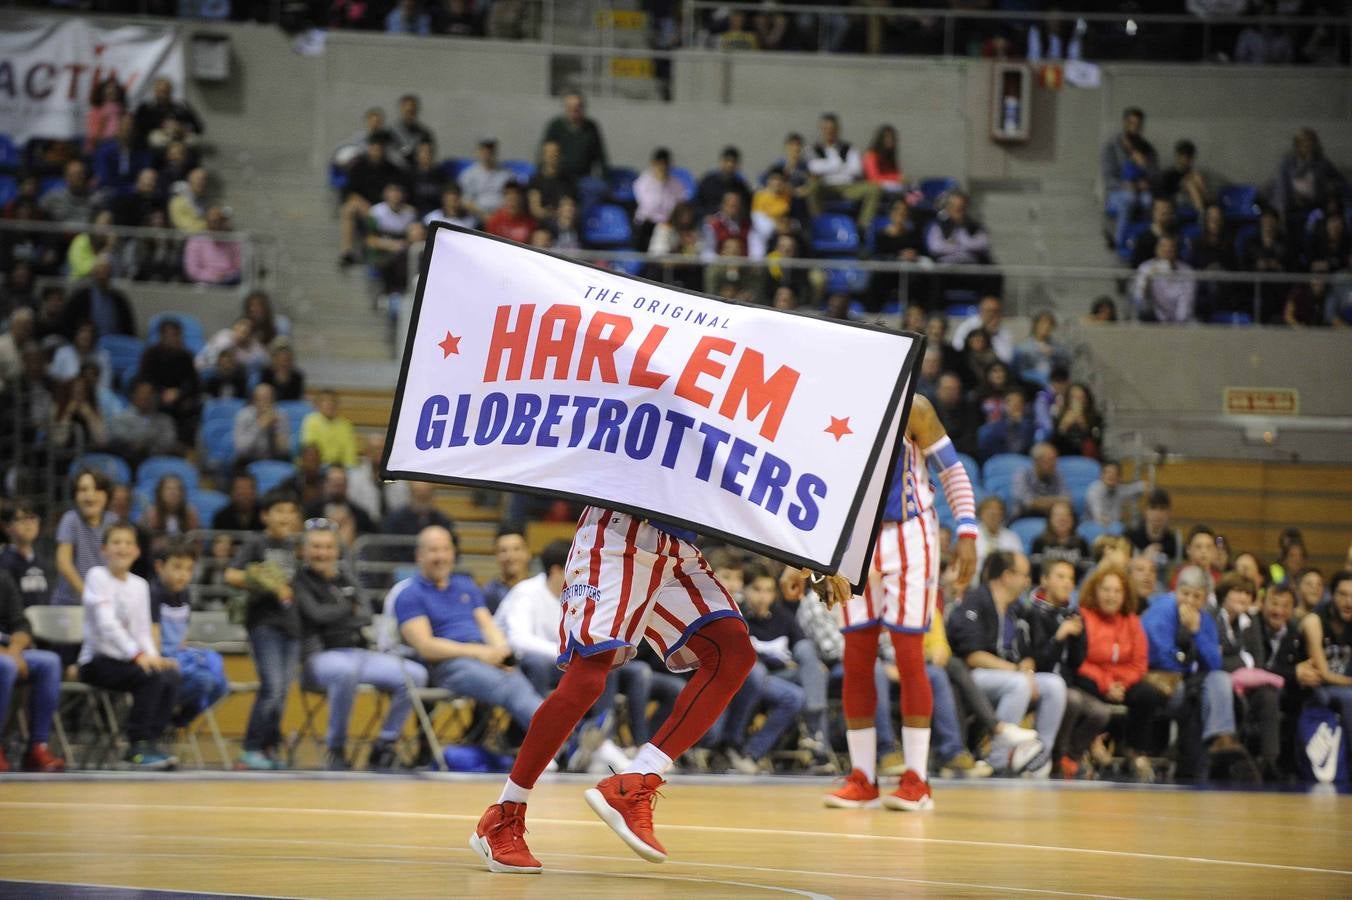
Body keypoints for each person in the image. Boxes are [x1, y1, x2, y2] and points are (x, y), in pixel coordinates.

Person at [468, 493, 847, 875]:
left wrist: (808, 560)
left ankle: (636, 780)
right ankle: (504, 815)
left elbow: (743, 479)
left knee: (734, 653)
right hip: (616, 532)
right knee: (588, 676)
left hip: (677, 544)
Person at [826, 393, 979, 811]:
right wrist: (805, 557)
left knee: (910, 655)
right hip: (855, 536)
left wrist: (966, 530)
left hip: (911, 533)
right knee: (855, 657)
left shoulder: (916, 407)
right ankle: (863, 777)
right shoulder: (830, 400)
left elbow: (953, 472)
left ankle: (918, 780)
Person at [294, 522, 427, 770]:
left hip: (358, 652)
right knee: (345, 671)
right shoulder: (298, 580)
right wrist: (347, 608)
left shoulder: (346, 576)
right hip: (318, 657)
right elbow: (315, 615)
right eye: (316, 547)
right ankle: (336, 748)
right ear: (304, 550)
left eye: (327, 547)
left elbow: (366, 613)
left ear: (337, 550)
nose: (322, 553)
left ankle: (384, 745)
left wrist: (339, 613)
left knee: (415, 674)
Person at [393, 524, 543, 741]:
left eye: (445, 549)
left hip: (482, 658)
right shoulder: (409, 594)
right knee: (510, 686)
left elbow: (487, 625)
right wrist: (479, 652)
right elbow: (426, 647)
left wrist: (501, 650)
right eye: (434, 550)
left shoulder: (466, 586)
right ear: (419, 556)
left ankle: (551, 745)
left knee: (522, 674)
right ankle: (566, 741)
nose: (441, 556)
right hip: (447, 665)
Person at [947, 551, 1063, 776]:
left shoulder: (1017, 609)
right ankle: (995, 759)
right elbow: (972, 655)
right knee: (1018, 684)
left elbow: (1030, 652)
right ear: (1007, 575)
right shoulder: (976, 600)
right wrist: (1018, 672)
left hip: (1011, 674)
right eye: (1024, 576)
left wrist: (1027, 667)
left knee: (1054, 685)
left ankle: (1038, 757)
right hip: (974, 676)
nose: (1028, 582)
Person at [78, 522, 182, 769]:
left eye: (127, 543)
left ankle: (151, 742)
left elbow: (143, 630)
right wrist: (137, 654)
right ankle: (136, 746)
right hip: (97, 661)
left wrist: (153, 656)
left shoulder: (140, 585)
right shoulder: (96, 576)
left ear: (136, 551)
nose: (122, 548)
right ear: (104, 549)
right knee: (149, 678)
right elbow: (106, 625)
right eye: (116, 543)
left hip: (130, 660)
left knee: (169, 675)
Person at [1141, 566, 1254, 781]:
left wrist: (1196, 632)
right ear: (1176, 591)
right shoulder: (1161, 611)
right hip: (1159, 681)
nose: (1190, 601)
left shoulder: (1205, 620)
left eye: (1197, 596)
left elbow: (1214, 663)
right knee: (1195, 697)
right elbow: (1161, 658)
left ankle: (1221, 739)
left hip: (1190, 681)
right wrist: (1189, 663)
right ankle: (1199, 760)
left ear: (1205, 599)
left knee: (1219, 679)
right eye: (1185, 594)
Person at [224, 490, 303, 770]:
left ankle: (269, 748)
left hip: (291, 626)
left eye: (290, 511)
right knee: (271, 687)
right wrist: (259, 580)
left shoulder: (297, 547)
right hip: (264, 625)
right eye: (279, 510)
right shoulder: (257, 542)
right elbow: (230, 574)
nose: (285, 516)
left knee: (282, 692)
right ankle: (250, 748)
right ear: (265, 516)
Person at [1072, 564, 1161, 781]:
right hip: (1093, 680)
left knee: (1147, 694)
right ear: (1095, 591)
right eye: (1106, 590)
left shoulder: (1132, 622)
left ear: (1125, 595)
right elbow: (1078, 660)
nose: (1111, 596)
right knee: (1085, 685)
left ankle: (1135, 751)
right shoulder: (1082, 617)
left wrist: (1119, 685)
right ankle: (1087, 746)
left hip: (1122, 683)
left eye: (1117, 591)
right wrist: (1106, 684)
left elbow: (1139, 664)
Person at [1023, 559, 1106, 778]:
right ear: (1044, 580)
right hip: (1039, 681)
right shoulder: (1032, 612)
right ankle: (1056, 758)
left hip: (1067, 682)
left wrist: (1078, 636)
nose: (1067, 583)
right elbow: (1039, 661)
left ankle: (1072, 755)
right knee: (1072, 700)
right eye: (1060, 577)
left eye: (1070, 578)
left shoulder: (1071, 613)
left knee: (1100, 712)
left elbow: (1077, 662)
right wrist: (1059, 636)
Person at [1212, 574, 1284, 778]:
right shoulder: (1212, 618)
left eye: (1248, 593)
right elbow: (1216, 661)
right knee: (1226, 689)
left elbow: (1258, 661)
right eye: (1238, 591)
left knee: (1268, 695)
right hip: (1219, 683)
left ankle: (1269, 759)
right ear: (1224, 594)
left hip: (1249, 684)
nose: (1243, 597)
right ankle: (1228, 761)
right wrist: (1243, 662)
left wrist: (1238, 661)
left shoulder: (1251, 622)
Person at [150, 539, 227, 728]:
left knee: (221, 685)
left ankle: (177, 722)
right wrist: (165, 660)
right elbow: (153, 639)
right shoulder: (153, 594)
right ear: (160, 567)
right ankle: (161, 717)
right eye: (177, 567)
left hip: (179, 659)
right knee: (205, 681)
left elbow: (182, 637)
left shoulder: (185, 595)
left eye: (188, 569)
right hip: (162, 662)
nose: (183, 575)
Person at [0, 568, 64, 772]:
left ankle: (38, 746)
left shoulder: (3, 577)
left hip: (9, 650)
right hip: (4, 657)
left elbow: (20, 622)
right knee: (6, 666)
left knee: (50, 662)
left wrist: (15, 649)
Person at [52, 469, 116, 607]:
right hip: (69, 604)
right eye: (83, 489)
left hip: (106, 602)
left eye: (97, 489)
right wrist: (88, 595)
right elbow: (63, 562)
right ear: (75, 495)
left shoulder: (113, 522)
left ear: (107, 495)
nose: (90, 495)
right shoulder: (70, 519)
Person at [805, 113, 880, 229]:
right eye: (826, 128)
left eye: (832, 128)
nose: (829, 131)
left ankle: (862, 226)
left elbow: (856, 170)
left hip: (848, 186)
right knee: (811, 186)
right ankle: (818, 224)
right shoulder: (813, 149)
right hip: (825, 186)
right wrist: (841, 165)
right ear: (821, 129)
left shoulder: (849, 147)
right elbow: (813, 168)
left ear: (838, 129)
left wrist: (827, 166)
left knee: (874, 188)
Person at [1101, 107, 1158, 249]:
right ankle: (1119, 242)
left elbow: (1156, 177)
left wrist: (1144, 164)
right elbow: (1108, 179)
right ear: (1124, 123)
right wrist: (1125, 185)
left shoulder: (1147, 148)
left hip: (1141, 192)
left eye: (1138, 125)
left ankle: (1144, 243)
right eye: (1132, 123)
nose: (1135, 128)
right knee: (1129, 198)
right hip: (1117, 194)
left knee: (1148, 200)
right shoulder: (1111, 147)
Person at [538, 91, 608, 180]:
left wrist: (605, 178)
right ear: (565, 108)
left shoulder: (591, 127)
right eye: (570, 107)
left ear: (583, 108)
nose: (574, 110)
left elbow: (601, 156)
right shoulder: (555, 126)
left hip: (583, 177)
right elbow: (544, 152)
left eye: (577, 107)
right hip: (559, 178)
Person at [1132, 235, 1196, 323]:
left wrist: (1178, 324)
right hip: (1155, 318)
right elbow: (1140, 299)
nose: (1167, 253)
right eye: (1163, 248)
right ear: (1156, 250)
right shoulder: (1145, 268)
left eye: (1171, 250)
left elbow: (1187, 301)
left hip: (1180, 321)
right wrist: (1148, 280)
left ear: (1176, 251)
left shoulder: (1187, 271)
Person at [0, 504, 54, 607]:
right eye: (21, 519)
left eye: (32, 517)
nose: (29, 523)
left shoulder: (42, 562)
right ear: (7, 527)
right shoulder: (4, 562)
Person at [1029, 500, 1091, 581]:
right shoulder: (1039, 542)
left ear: (1073, 519)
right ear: (1050, 519)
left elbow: (1086, 574)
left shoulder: (1081, 543)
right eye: (1057, 515)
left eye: (1066, 515)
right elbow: (1035, 573)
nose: (1062, 519)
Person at [234, 382, 292, 465]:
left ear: (274, 400)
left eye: (268, 399)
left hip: (274, 458)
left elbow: (284, 450)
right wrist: (260, 426)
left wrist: (276, 428)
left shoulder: (281, 415)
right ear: (253, 401)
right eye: (260, 399)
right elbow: (241, 449)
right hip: (249, 459)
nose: (264, 403)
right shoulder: (243, 415)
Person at [301, 390, 359, 469]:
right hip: (317, 466)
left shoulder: (345, 425)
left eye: (333, 401)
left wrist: (349, 468)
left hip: (339, 467)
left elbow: (350, 453)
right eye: (325, 401)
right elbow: (310, 447)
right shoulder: (311, 420)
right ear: (318, 404)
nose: (330, 404)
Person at [1012, 443, 1071, 519]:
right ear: (1037, 461)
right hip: (1025, 516)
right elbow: (1028, 502)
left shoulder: (1057, 474)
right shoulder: (1022, 474)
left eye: (1054, 460)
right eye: (1049, 460)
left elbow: (1067, 500)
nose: (1053, 464)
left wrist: (1039, 502)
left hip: (1052, 516)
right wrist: (1055, 501)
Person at [459, 138, 512, 220]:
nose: (487, 155)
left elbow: (511, 198)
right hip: (477, 216)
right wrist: (484, 215)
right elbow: (465, 201)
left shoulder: (506, 175)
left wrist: (497, 216)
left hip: (502, 216)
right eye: (484, 151)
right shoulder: (469, 174)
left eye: (490, 152)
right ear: (478, 152)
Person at [1084, 460, 1145, 528]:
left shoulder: (1119, 489)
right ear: (1101, 475)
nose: (1111, 476)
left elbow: (1135, 488)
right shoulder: (1094, 490)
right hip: (1093, 527)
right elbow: (1099, 517)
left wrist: (1145, 487)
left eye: (1114, 473)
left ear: (1119, 478)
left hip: (1114, 527)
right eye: (1108, 472)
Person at [482, 529, 531, 614]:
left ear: (527, 553)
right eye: (503, 551)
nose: (510, 557)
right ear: (496, 556)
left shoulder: (540, 589)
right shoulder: (488, 593)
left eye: (516, 549)